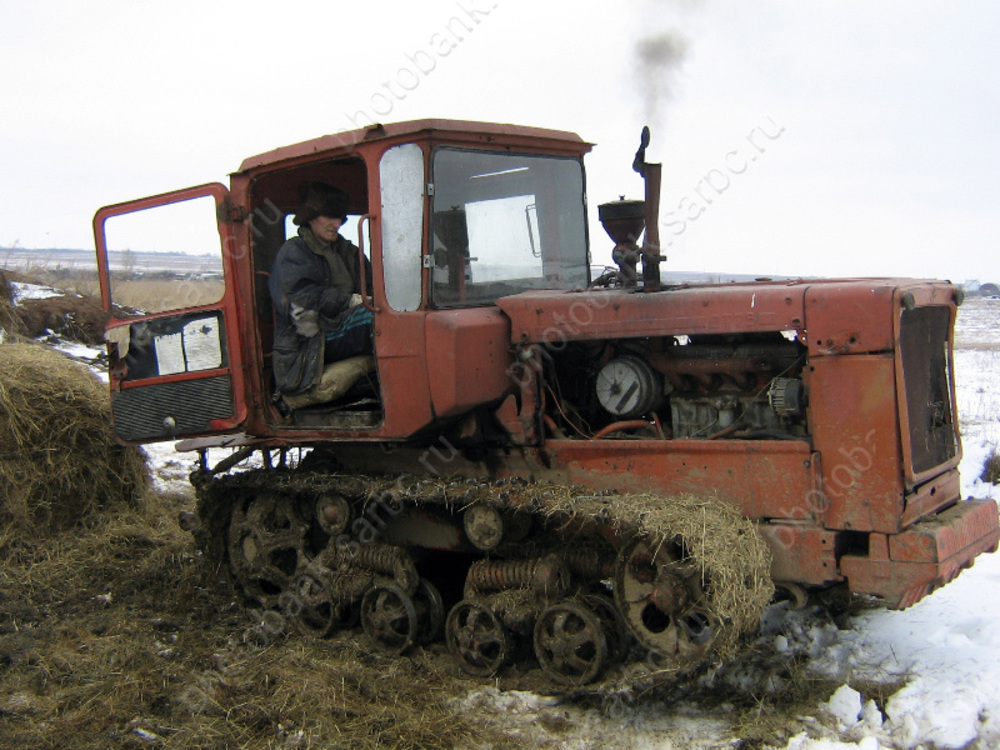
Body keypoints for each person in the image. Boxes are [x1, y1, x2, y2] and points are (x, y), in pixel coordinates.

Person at [269, 182, 374, 401]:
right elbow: (299, 299)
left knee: (393, 313)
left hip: (340, 325)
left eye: (340, 218)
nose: (336, 224)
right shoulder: (294, 252)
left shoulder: (348, 252)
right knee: (376, 319)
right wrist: (350, 301)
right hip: (311, 338)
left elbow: (373, 283)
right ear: (311, 216)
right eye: (329, 216)